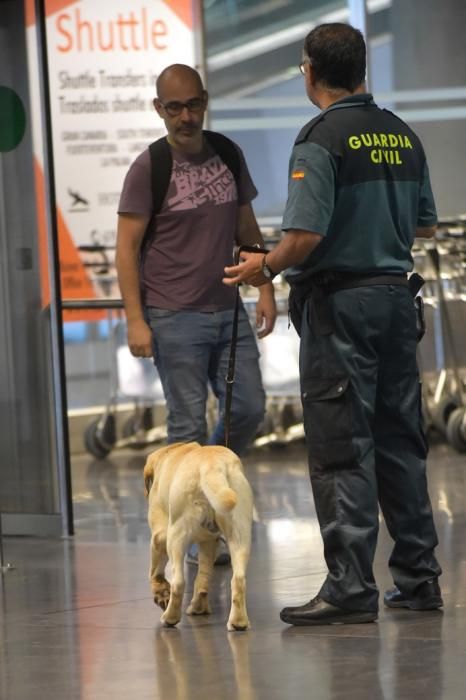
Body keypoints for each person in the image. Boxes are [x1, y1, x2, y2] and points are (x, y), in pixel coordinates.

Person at [224, 23, 442, 623]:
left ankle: (349, 588)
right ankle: (420, 580)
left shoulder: (320, 138)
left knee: (344, 446)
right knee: (401, 441)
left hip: (342, 306)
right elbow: (424, 224)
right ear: (362, 69)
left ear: (309, 71)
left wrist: (261, 265)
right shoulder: (402, 134)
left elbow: (305, 236)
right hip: (397, 303)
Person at [116, 64, 276, 565]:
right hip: (172, 315)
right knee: (184, 423)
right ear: (159, 109)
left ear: (205, 101)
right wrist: (136, 320)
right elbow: (127, 248)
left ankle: (204, 497)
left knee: (248, 410)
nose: (186, 116)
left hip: (228, 311)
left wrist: (265, 285)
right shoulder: (149, 167)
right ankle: (183, 533)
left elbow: (246, 226)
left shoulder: (228, 153)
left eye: (193, 104)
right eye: (174, 107)